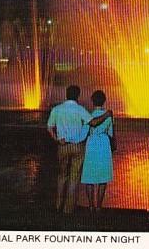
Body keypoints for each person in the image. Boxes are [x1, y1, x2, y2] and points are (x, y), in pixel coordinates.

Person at [47, 85, 112, 215]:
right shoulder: (80, 110)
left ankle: (58, 206)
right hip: (77, 146)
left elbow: (49, 127)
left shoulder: (57, 109)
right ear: (78, 96)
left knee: (61, 176)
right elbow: (93, 123)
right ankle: (68, 209)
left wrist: (57, 139)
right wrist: (107, 114)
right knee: (74, 178)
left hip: (63, 145)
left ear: (66, 94)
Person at [81, 90, 114, 213]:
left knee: (89, 177)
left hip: (91, 144)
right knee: (102, 177)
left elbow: (84, 133)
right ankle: (99, 206)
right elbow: (110, 133)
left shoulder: (88, 116)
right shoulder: (108, 116)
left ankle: (90, 206)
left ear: (92, 101)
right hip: (104, 145)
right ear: (104, 101)